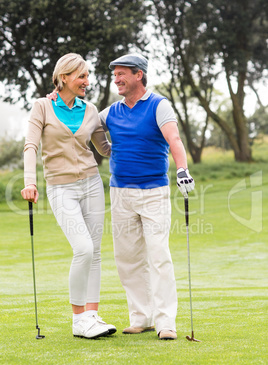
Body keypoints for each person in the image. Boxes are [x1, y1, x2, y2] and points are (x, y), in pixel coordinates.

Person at [99, 54, 195, 340]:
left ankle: (166, 321)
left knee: (158, 255)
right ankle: (141, 317)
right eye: (114, 74)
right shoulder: (110, 112)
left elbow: (174, 140)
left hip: (154, 192)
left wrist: (182, 170)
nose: (116, 79)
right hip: (120, 193)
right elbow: (85, 123)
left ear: (138, 75)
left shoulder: (158, 105)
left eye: (121, 73)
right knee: (127, 257)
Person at [21, 53, 116, 339]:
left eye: (87, 76)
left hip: (91, 184)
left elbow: (105, 149)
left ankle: (92, 316)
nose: (87, 81)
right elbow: (30, 147)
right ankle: (78, 321)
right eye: (82, 76)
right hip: (61, 189)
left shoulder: (90, 110)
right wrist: (29, 182)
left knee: (96, 252)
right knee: (83, 249)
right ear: (64, 77)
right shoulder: (42, 107)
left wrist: (141, 145)